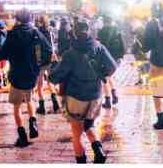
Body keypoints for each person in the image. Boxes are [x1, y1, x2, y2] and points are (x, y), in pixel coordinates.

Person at [49, 21, 117, 163]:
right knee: (89, 125)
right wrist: (101, 74)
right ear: (89, 32)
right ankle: (98, 150)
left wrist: (53, 65)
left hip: (76, 97)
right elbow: (112, 67)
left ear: (74, 34)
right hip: (95, 96)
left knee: (77, 131)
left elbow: (55, 77)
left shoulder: (70, 54)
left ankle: (81, 162)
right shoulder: (99, 47)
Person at [0, 9, 52, 147]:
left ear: (17, 19)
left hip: (17, 74)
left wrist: (0, 52)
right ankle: (33, 122)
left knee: (17, 106)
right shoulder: (35, 32)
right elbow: (48, 50)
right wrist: (39, 64)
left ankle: (22, 136)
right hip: (32, 73)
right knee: (30, 99)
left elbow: (2, 53)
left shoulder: (12, 34)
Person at [96, 17, 125, 109]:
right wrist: (121, 56)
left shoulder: (100, 32)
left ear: (104, 22)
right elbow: (122, 45)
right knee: (109, 77)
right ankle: (114, 94)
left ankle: (108, 100)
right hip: (115, 57)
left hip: (105, 57)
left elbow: (98, 45)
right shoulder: (117, 31)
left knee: (104, 79)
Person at [35, 16, 60, 114]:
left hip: (41, 61)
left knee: (40, 84)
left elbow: (37, 47)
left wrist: (37, 60)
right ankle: (55, 103)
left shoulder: (37, 32)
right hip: (50, 59)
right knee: (50, 82)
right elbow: (53, 45)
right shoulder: (50, 31)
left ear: (39, 22)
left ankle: (42, 107)